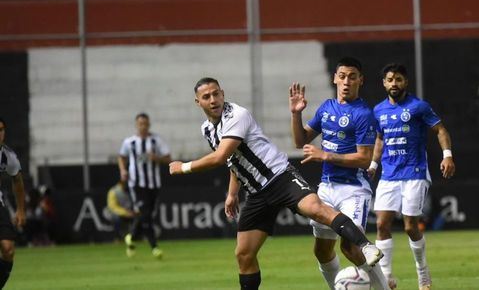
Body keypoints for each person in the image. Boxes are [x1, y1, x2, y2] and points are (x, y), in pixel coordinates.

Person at [169, 77, 383, 290]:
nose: (213, 99)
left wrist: (184, 167)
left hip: (279, 176)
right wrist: (232, 193)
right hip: (256, 194)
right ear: (198, 102)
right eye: (207, 97)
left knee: (316, 209)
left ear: (223, 94)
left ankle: (365, 246)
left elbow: (219, 156)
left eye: (216, 94)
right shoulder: (207, 129)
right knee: (244, 254)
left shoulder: (236, 115)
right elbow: (231, 159)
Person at [289, 57, 390, 290]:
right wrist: (296, 114)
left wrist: (326, 156)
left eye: (352, 77)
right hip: (327, 187)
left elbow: (364, 159)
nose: (346, 81)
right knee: (322, 250)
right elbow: (299, 141)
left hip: (353, 190)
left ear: (360, 80)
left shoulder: (363, 114)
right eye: (342, 76)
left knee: (350, 247)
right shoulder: (326, 107)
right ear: (335, 78)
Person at [367, 63, 455, 290]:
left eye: (398, 79)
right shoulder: (378, 110)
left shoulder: (418, 107)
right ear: (384, 83)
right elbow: (380, 139)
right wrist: (374, 164)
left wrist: (447, 156)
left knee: (409, 226)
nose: (394, 83)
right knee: (382, 224)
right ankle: (386, 276)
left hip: (414, 172)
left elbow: (441, 130)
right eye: (390, 80)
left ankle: (423, 272)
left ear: (405, 82)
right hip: (388, 174)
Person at [118, 113, 171, 258]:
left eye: (145, 123)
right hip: (137, 184)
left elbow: (168, 158)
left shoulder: (156, 141)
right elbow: (121, 156)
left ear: (149, 124)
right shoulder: (130, 142)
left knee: (146, 215)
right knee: (145, 214)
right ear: (136, 125)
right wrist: (123, 170)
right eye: (140, 123)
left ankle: (131, 236)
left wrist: (157, 158)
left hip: (154, 184)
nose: (143, 126)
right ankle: (155, 247)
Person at [0, 118, 26, 289]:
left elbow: (17, 180)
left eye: (1, 129)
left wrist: (21, 210)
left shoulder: (7, 155)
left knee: (8, 249)